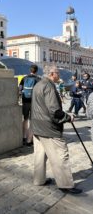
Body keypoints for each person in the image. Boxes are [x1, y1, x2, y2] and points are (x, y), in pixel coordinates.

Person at [30, 65, 82, 194]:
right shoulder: (49, 86)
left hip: (37, 126)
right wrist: (68, 117)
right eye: (58, 73)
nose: (59, 75)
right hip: (49, 128)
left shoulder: (38, 84)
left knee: (40, 155)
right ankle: (65, 184)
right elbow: (54, 111)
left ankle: (39, 180)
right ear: (52, 74)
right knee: (60, 155)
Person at [19, 64, 41, 146]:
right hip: (34, 102)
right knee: (32, 120)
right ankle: (29, 140)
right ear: (36, 71)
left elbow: (20, 88)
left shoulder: (24, 78)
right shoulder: (38, 79)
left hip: (25, 101)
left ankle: (23, 137)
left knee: (25, 119)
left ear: (30, 70)